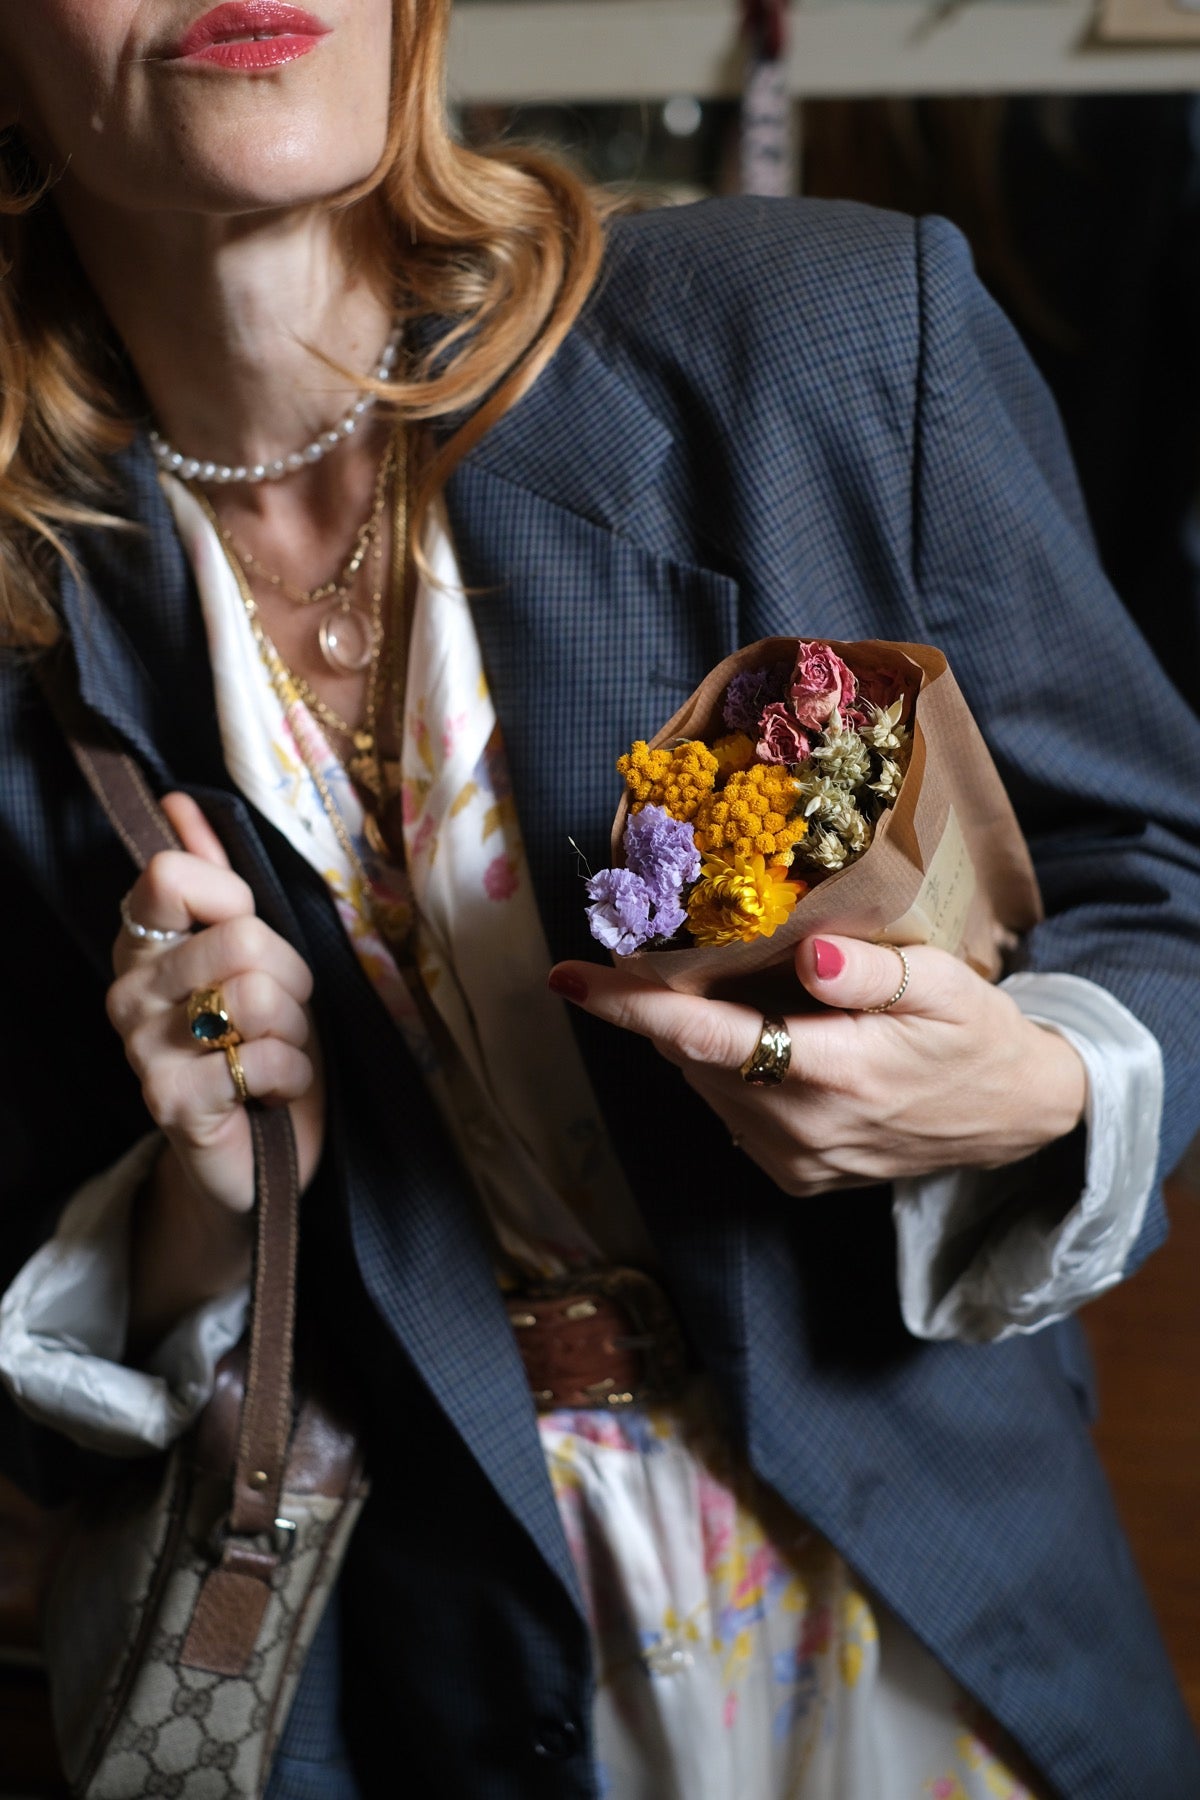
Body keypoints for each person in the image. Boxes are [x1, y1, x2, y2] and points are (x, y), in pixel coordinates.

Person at [0, 4, 1198, 1798]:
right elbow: (34, 1351)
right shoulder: (31, 614)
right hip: (426, 1681)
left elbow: (1163, 878)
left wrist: (1036, 1084)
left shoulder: (821, 336)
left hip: (940, 1615)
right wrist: (198, 1204)